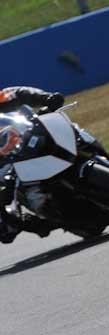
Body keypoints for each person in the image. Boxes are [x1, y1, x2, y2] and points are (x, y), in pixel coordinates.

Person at [0, 87, 64, 243]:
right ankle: (36, 222)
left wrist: (46, 98)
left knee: (71, 131)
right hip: (6, 168)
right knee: (6, 230)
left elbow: (18, 94)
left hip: (27, 140)